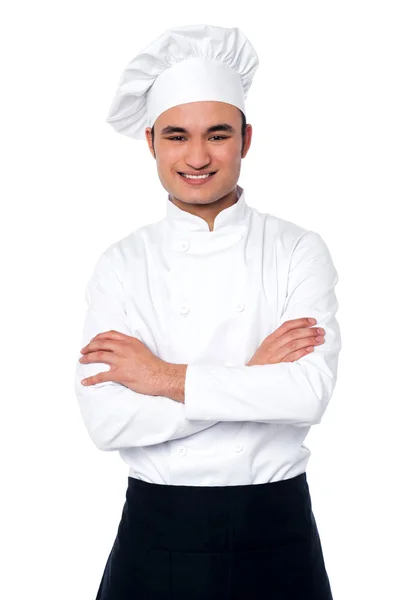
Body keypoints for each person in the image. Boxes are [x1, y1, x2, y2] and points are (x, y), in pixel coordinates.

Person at [75, 24, 341, 600]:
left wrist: (162, 380)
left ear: (246, 140)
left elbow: (306, 395)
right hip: (157, 534)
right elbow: (106, 422)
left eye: (217, 135)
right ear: (151, 142)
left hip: (278, 532)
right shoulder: (122, 264)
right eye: (177, 136)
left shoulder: (298, 249)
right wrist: (252, 378)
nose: (198, 157)